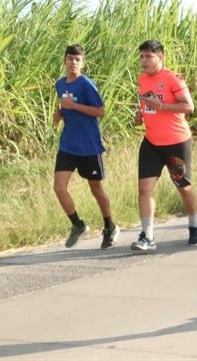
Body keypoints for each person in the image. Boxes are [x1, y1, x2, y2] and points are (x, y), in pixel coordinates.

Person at [132, 39, 197, 250]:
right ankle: (147, 235)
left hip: (176, 142)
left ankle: (194, 223)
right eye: (142, 56)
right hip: (152, 141)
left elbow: (188, 106)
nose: (144, 60)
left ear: (160, 57)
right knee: (144, 188)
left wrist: (161, 105)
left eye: (149, 56)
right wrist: (140, 114)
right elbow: (147, 103)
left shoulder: (172, 78)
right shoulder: (142, 79)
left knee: (183, 186)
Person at [53, 44, 119, 249]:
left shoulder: (86, 84)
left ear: (83, 63)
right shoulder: (60, 84)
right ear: (64, 61)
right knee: (59, 187)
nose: (73, 62)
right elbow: (65, 107)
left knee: (95, 187)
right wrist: (60, 114)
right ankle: (78, 225)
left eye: (77, 59)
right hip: (68, 145)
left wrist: (75, 107)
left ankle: (110, 226)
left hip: (89, 146)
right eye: (70, 58)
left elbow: (100, 111)